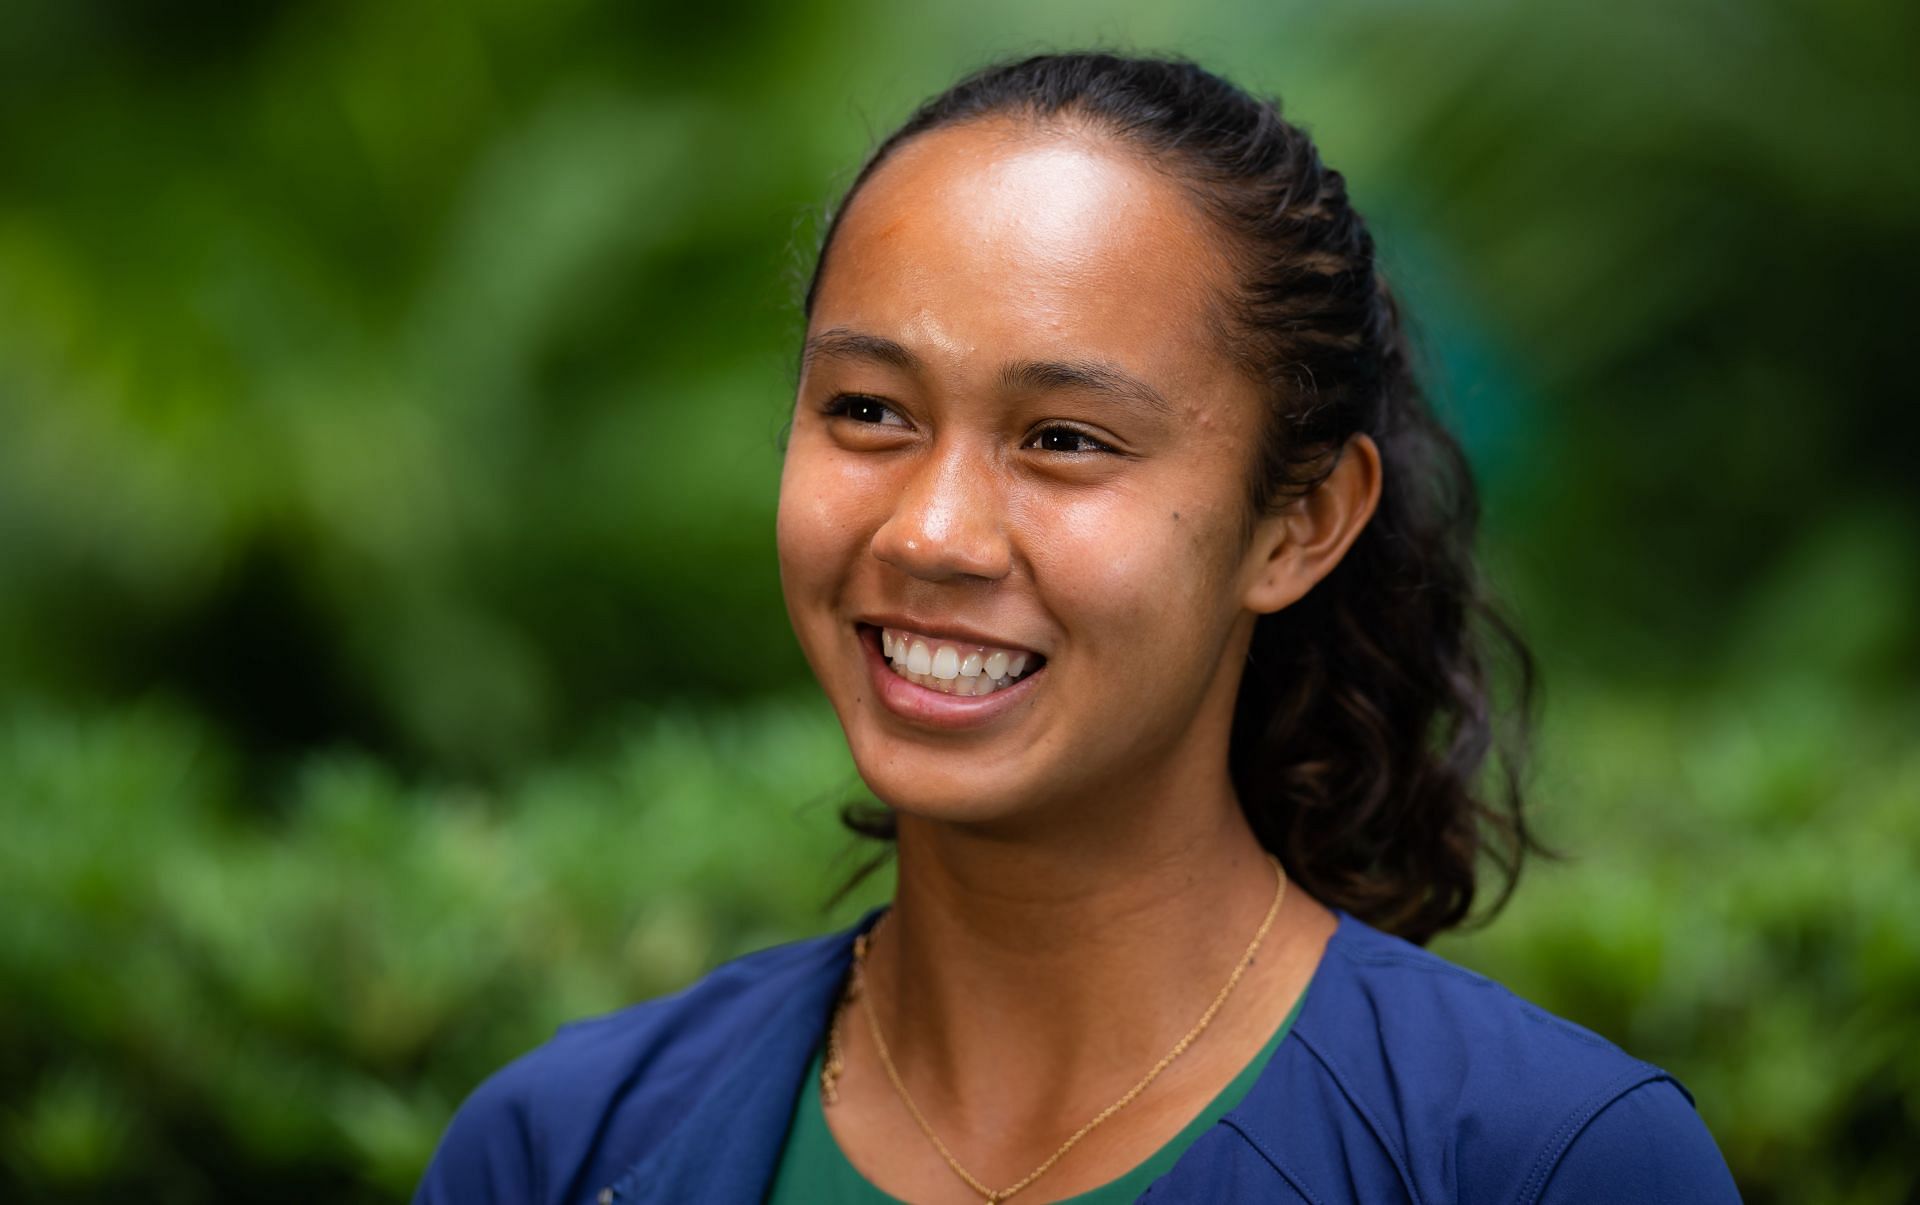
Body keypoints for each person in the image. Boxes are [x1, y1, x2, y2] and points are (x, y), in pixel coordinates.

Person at [415, 52, 1741, 1204]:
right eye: (870, 409)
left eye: (1063, 439)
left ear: (1297, 524)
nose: (931, 532)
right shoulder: (561, 1149)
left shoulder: (1539, 1164)